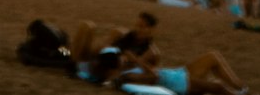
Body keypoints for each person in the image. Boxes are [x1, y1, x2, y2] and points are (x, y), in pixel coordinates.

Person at [104, 47, 249, 95]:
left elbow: (154, 54)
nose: (124, 58)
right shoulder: (128, 75)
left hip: (177, 74)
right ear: (116, 64)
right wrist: (137, 60)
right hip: (177, 84)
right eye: (121, 58)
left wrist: (137, 60)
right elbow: (154, 75)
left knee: (212, 56)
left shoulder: (128, 69)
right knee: (217, 86)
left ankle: (241, 88)